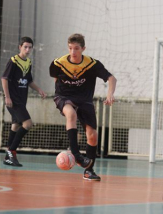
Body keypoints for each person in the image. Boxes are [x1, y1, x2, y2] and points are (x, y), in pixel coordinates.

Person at [49, 33, 117, 181]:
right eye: (70, 48)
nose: (73, 52)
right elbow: (55, 78)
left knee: (92, 136)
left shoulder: (91, 64)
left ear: (83, 48)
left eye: (76, 48)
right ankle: (77, 154)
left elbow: (111, 78)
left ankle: (89, 171)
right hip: (64, 97)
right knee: (71, 114)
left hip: (85, 100)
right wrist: (61, 93)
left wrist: (110, 94)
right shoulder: (58, 63)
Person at [1, 37, 46, 167]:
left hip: (22, 99)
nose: (27, 49)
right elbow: (4, 79)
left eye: (30, 47)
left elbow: (29, 80)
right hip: (14, 100)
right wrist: (7, 96)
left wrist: (39, 90)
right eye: (25, 47)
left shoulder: (28, 63)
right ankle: (11, 151)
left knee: (15, 125)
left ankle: (8, 157)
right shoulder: (13, 61)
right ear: (19, 47)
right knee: (28, 124)